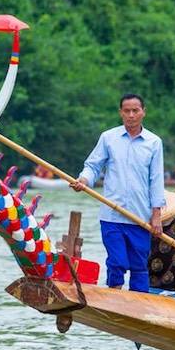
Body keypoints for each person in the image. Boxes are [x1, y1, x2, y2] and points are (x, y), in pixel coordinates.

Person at [70, 93, 165, 292]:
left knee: (139, 265)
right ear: (120, 113)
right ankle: (114, 297)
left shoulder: (153, 142)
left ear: (143, 112)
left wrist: (156, 214)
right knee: (117, 262)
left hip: (140, 216)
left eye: (135, 110)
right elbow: (93, 166)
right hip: (112, 215)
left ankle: (140, 304)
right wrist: (84, 180)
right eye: (127, 111)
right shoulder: (109, 138)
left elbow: (156, 180)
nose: (131, 115)